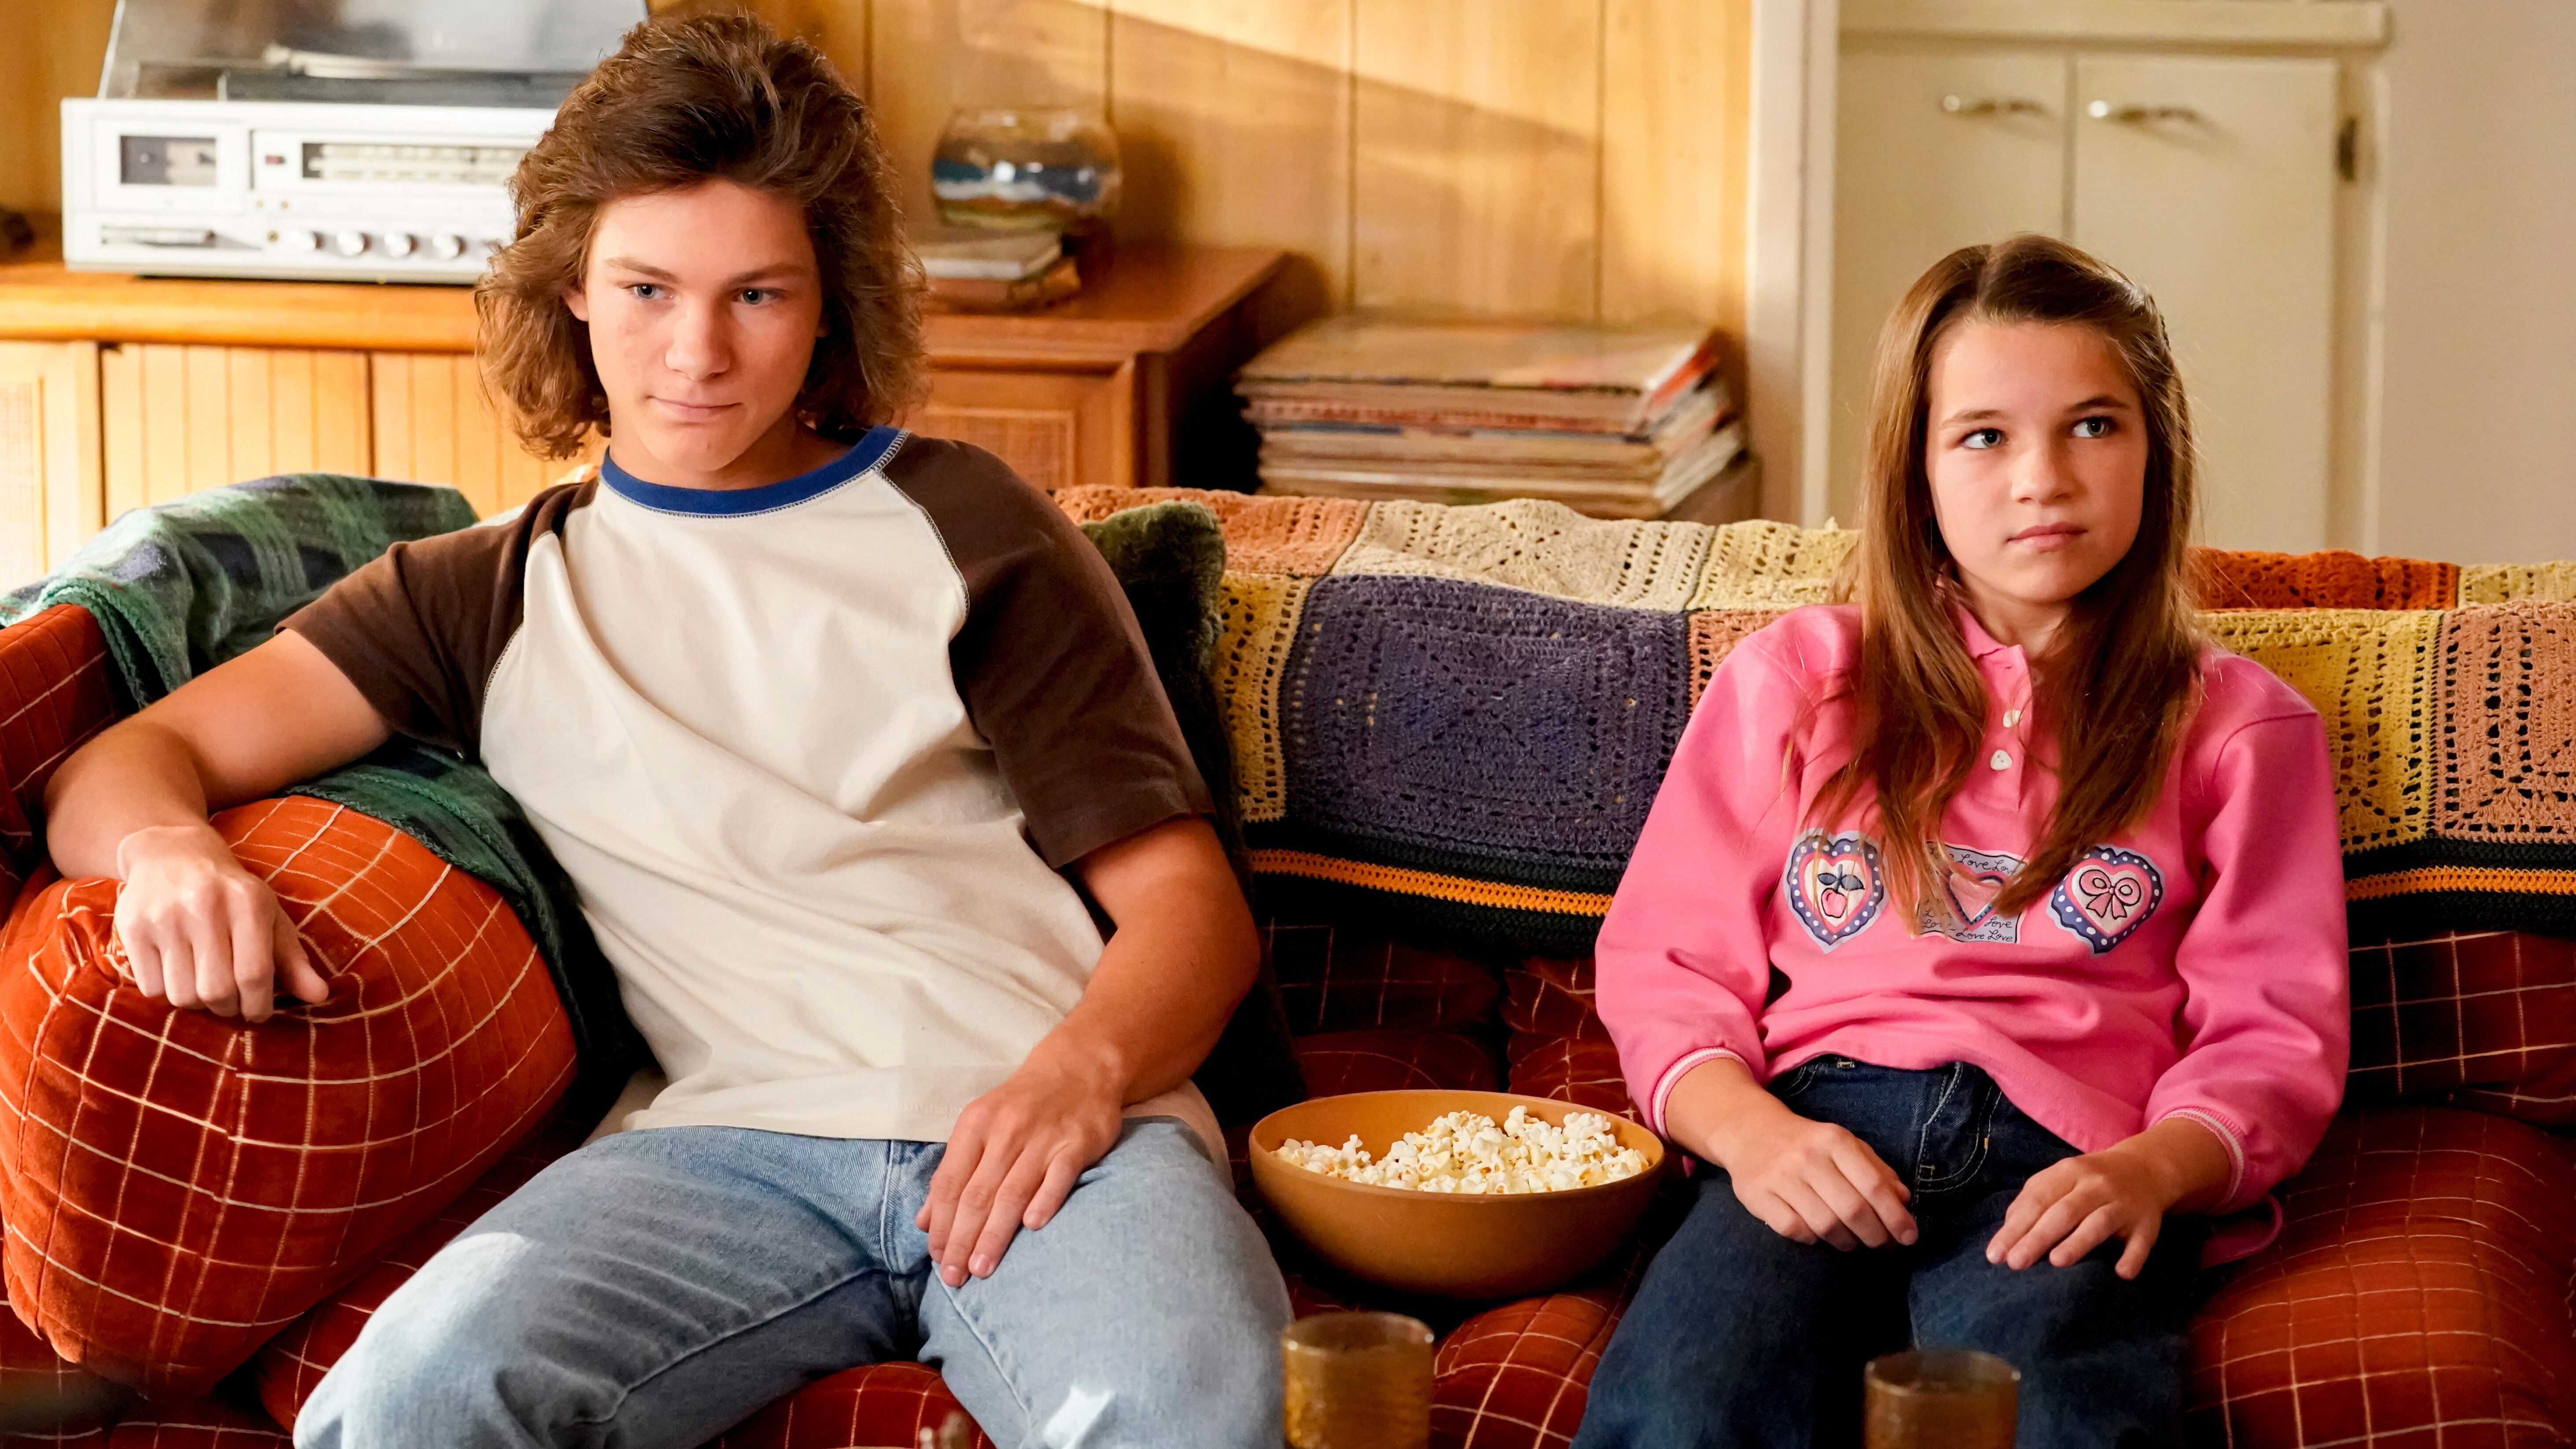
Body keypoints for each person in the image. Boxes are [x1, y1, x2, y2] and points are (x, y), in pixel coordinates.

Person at [39, 15, 1289, 1448]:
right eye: (647, 288)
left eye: (757, 293)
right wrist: (169, 854)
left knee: (1200, 1411)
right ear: (572, 287)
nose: (697, 352)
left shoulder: (965, 522)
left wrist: (1077, 1078)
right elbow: (121, 765)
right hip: (717, 1154)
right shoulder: (478, 596)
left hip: (1060, 1128)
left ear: (827, 308)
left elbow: (1189, 909)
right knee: (411, 1401)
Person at [1573, 236, 2349, 1449]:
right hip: (1815, 1130)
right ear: (1914, 473)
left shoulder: (2239, 726)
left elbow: (2273, 1029)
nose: (2043, 478)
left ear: (2156, 449)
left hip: (2072, 1162)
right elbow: (1666, 964)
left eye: (2093, 425)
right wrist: (1750, 1136)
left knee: (2053, 1416)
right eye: (1983, 436)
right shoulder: (1800, 680)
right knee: (1683, 1401)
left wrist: (2156, 1169)